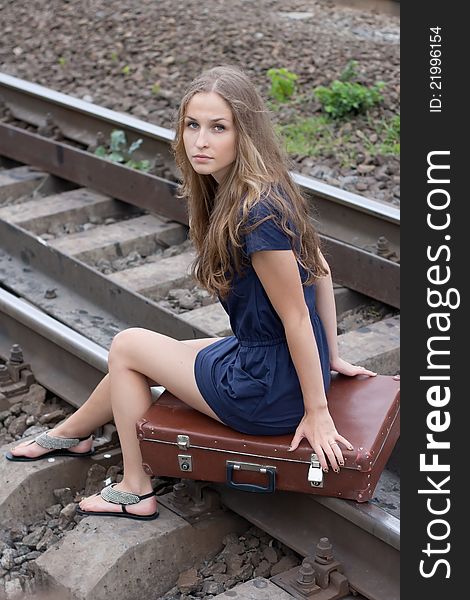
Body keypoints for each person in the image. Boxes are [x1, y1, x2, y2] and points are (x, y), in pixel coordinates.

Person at [6, 65, 376, 520]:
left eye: (218, 128)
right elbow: (320, 268)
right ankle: (70, 433)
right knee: (146, 356)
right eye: (192, 125)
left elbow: (299, 316)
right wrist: (329, 358)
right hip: (275, 362)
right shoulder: (266, 187)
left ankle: (135, 488)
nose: (200, 141)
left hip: (267, 393)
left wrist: (318, 410)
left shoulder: (255, 215)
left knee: (126, 347)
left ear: (246, 135)